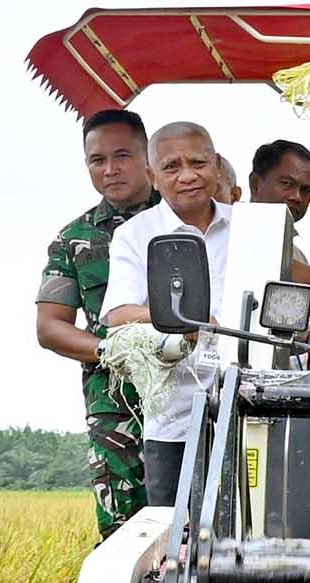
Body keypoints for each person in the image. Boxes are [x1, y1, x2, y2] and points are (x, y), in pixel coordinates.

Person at [100, 121, 241, 509]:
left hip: (253, 405)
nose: (188, 175)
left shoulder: (253, 226)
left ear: (216, 165)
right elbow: (118, 314)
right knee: (173, 540)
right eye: (172, 167)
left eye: (198, 162)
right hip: (177, 417)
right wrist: (185, 322)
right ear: (153, 177)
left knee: (248, 533)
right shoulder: (135, 234)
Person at [35, 107, 153, 535]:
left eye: (122, 156)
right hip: (116, 404)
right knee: (122, 528)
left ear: (147, 156)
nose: (110, 169)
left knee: (201, 518)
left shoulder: (184, 218)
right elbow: (50, 327)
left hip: (194, 390)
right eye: (97, 160)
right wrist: (111, 350)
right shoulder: (73, 239)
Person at [248, 138, 310, 297]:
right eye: (286, 183)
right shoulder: (228, 230)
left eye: (306, 190)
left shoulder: (298, 256)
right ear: (255, 184)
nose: (297, 197)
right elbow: (265, 259)